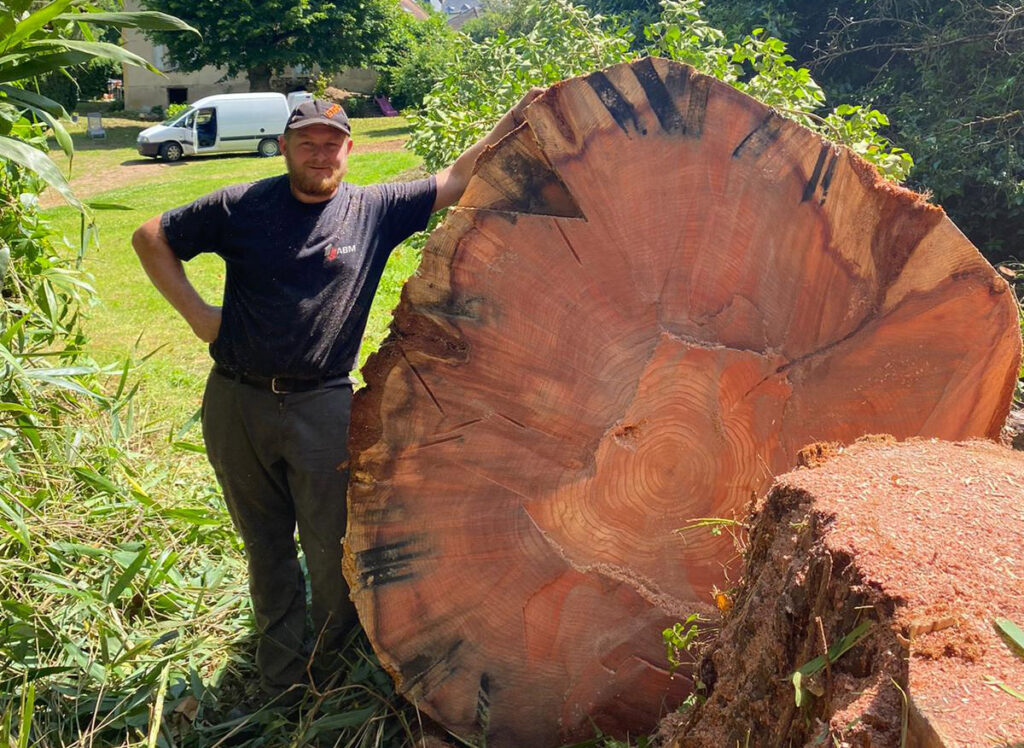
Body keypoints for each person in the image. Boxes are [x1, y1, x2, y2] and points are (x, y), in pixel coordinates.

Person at [132, 91, 542, 703]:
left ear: (350, 150)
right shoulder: (241, 205)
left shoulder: (373, 210)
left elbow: (457, 178)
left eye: (332, 143)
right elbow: (149, 236)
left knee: (331, 551)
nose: (319, 153)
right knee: (265, 546)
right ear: (284, 147)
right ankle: (280, 685)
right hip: (236, 403)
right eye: (307, 142)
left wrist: (520, 114)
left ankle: (335, 674)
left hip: (321, 406)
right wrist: (198, 316)